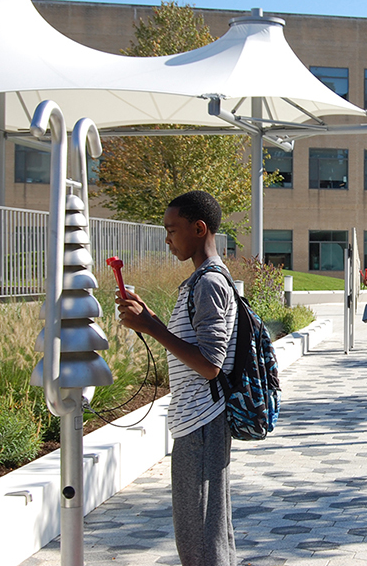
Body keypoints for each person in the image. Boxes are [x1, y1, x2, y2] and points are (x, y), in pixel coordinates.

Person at [116, 190, 238, 566]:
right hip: (196, 420)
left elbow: (210, 364)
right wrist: (149, 316)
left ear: (199, 228)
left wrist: (151, 327)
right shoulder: (202, 280)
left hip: (202, 420)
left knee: (199, 534)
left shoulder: (210, 283)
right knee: (204, 528)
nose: (167, 238)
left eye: (172, 229)